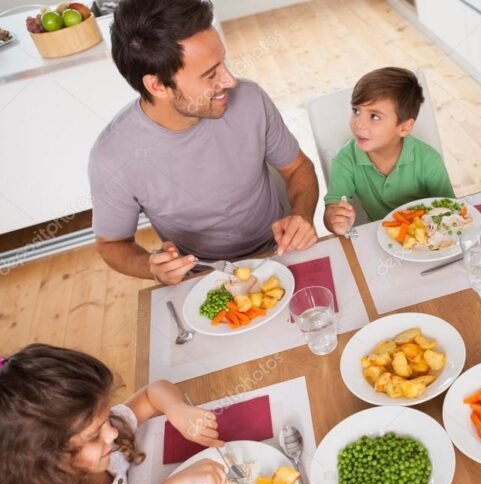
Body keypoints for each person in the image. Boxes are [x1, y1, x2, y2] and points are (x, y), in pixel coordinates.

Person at [90, 0, 319, 286]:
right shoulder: (112, 158)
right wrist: (152, 266)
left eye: (223, 62)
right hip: (202, 277)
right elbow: (112, 244)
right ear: (158, 85)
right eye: (211, 74)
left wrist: (301, 215)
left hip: (278, 252)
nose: (231, 81)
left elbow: (297, 167)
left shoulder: (251, 99)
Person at [0, 344, 226, 484]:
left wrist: (178, 409)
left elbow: (152, 393)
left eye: (107, 417)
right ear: (45, 458)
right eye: (93, 436)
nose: (113, 433)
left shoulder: (99, 431)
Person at [323, 67, 454, 235]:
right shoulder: (344, 160)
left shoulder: (429, 160)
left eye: (374, 116)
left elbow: (450, 209)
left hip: (429, 237)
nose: (359, 124)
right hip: (379, 237)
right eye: (356, 111)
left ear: (405, 127)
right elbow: (332, 208)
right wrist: (334, 220)